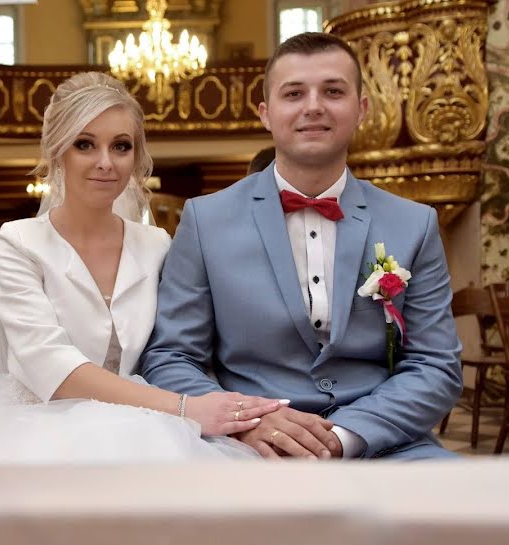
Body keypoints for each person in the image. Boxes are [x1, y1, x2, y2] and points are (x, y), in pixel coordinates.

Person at [0, 72, 282, 465]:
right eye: (85, 144)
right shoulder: (19, 242)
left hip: (151, 425)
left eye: (121, 146)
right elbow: (50, 364)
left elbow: (177, 346)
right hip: (42, 423)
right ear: (57, 152)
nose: (106, 163)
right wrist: (185, 408)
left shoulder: (156, 244)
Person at [139, 33, 462, 460]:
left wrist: (343, 436)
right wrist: (244, 421)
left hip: (382, 443)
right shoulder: (205, 220)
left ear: (361, 109)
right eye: (294, 93)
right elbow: (171, 356)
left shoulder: (414, 224)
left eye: (333, 91)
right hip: (247, 444)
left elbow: (436, 365)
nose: (314, 106)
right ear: (266, 114)